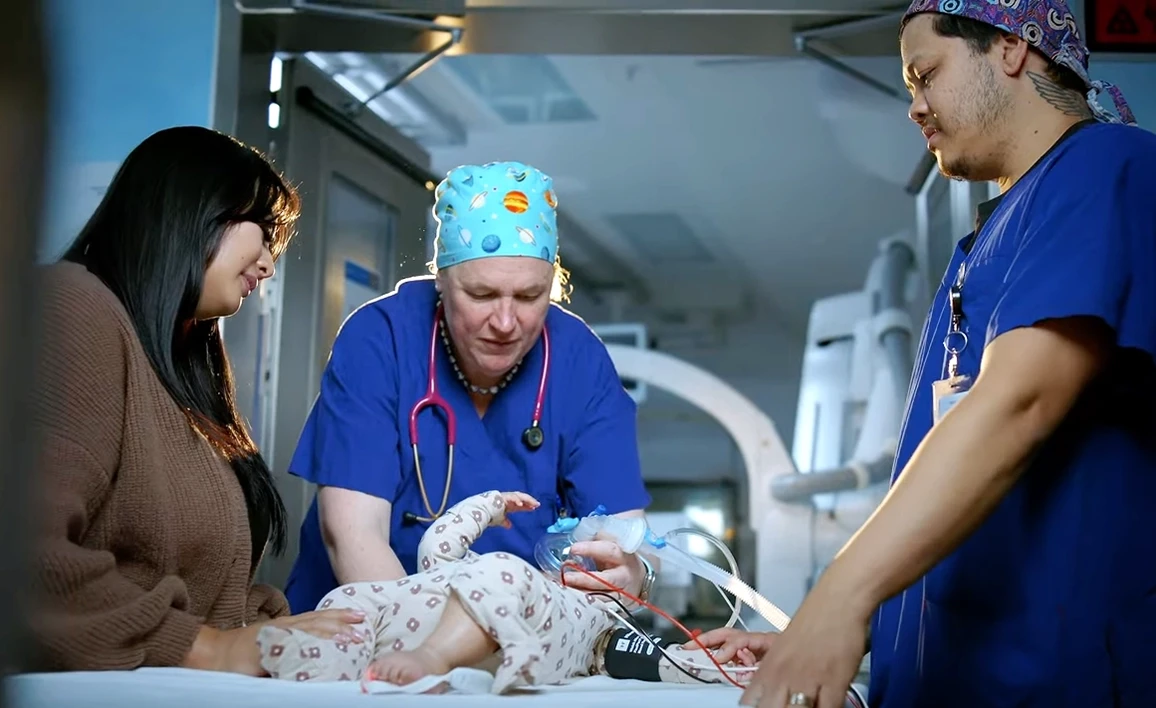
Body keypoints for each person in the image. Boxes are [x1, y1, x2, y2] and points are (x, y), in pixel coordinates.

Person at [717, 2, 1156, 707]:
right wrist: (834, 632)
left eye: (926, 74)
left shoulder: (1107, 165)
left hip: (1056, 679)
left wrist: (842, 594)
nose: (915, 107)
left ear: (1012, 49)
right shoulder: (988, 241)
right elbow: (956, 486)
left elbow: (1020, 400)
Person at [30, 126, 367, 675]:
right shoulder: (73, 308)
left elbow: (207, 593)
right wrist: (209, 647)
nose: (267, 265)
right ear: (191, 210)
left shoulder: (185, 366)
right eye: (263, 231)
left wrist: (265, 631)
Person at [283, 161, 652, 616]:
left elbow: (625, 539)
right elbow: (352, 535)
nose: (504, 323)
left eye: (529, 297)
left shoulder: (580, 362)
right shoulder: (382, 340)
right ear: (441, 278)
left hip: (521, 645)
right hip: (363, 632)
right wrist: (428, 649)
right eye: (480, 295)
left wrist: (633, 575)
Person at [261, 489, 757, 691]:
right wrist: (488, 506)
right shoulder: (510, 572)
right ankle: (301, 657)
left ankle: (437, 659)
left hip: (486, 637)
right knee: (349, 604)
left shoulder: (599, 630)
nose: (579, 556)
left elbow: (662, 662)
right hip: (402, 618)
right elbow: (439, 545)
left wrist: (721, 668)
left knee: (499, 571)